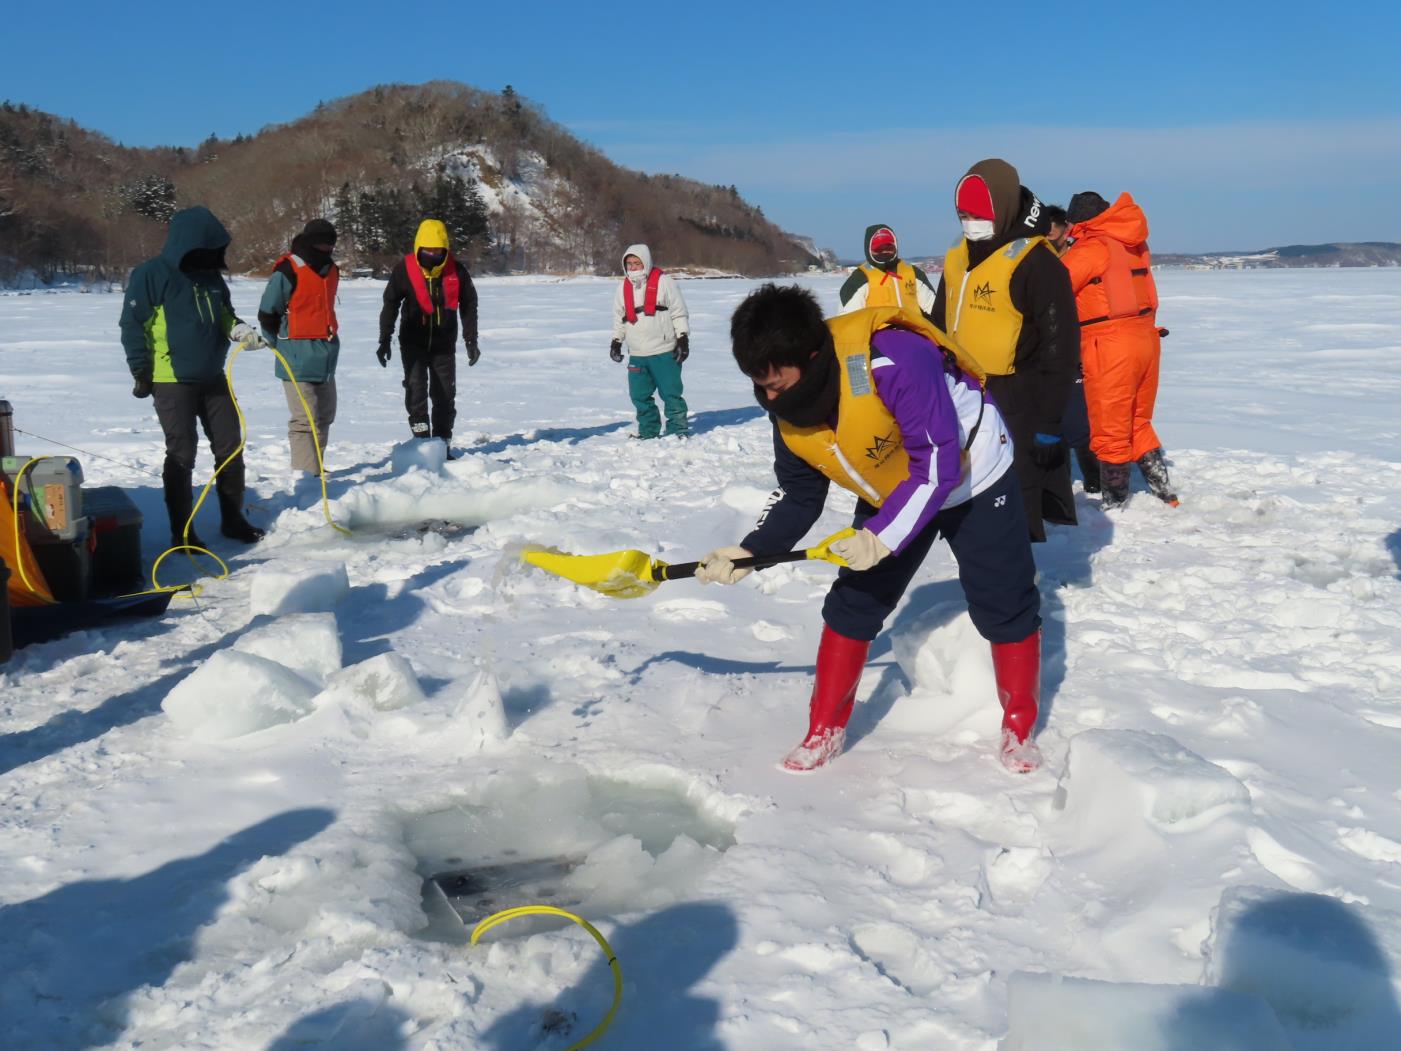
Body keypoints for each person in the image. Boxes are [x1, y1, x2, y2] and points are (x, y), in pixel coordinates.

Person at [695, 285, 1044, 774]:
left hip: (973, 475)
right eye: (761, 386)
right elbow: (800, 495)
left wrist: (880, 538)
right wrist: (752, 551)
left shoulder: (895, 359)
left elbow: (938, 466)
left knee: (1004, 600)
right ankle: (823, 730)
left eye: (777, 384)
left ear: (811, 358)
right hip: (895, 484)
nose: (770, 397)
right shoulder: (787, 405)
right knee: (853, 602)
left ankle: (1019, 727)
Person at [932, 158, 1080, 542]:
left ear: (1003, 208)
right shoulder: (958, 255)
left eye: (978, 215)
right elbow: (936, 324)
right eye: (963, 215)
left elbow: (1060, 350)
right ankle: (980, 559)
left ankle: (1019, 569)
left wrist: (1049, 424)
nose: (970, 223)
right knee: (967, 490)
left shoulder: (1037, 263)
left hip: (1015, 399)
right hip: (961, 392)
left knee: (1013, 496)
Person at [119, 205, 265, 548]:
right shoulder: (152, 274)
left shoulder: (212, 278)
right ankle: (182, 533)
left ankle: (233, 520)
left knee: (230, 447)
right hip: (171, 380)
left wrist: (239, 329)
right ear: (190, 244)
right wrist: (141, 370)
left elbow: (224, 314)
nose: (214, 257)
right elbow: (132, 325)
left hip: (213, 377)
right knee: (182, 453)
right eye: (208, 250)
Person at [1062, 191, 1178, 508]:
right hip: (1146, 340)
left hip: (1110, 345)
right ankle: (1166, 494)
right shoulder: (1132, 242)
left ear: (1080, 221)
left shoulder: (1092, 248)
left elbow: (1053, 286)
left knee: (1110, 429)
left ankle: (1115, 506)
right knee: (1138, 422)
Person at [377, 219, 480, 455]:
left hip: (444, 345)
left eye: (437, 251)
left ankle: (442, 445)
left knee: (445, 395)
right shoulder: (404, 270)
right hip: (413, 343)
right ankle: (422, 445)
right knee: (416, 392)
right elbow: (390, 303)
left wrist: (471, 340)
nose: (433, 255)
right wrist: (384, 339)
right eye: (428, 251)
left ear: (445, 249)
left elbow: (469, 304)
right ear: (418, 248)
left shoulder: (457, 271)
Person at [257, 218, 340, 487]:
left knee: (325, 415)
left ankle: (316, 469)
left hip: (325, 354)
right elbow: (267, 311)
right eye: (322, 243)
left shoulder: (332, 270)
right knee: (305, 419)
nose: (327, 248)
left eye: (330, 244)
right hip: (294, 353)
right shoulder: (288, 269)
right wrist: (277, 343)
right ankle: (306, 478)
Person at [1044, 204, 1100, 494]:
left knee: (1080, 421)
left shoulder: (1079, 257)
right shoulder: (1039, 260)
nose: (1049, 238)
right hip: (1049, 349)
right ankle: (1060, 481)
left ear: (1066, 230)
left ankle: (1094, 479)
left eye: (1053, 232)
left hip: (1079, 347)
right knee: (1053, 421)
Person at [609, 244, 691, 439]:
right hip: (637, 353)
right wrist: (616, 342)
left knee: (671, 393)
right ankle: (648, 431)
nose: (633, 267)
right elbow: (619, 318)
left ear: (645, 262)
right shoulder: (622, 288)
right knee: (639, 396)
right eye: (629, 263)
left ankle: (677, 430)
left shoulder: (665, 282)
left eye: (637, 263)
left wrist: (683, 339)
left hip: (664, 350)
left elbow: (679, 313)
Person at [837, 224, 937, 322]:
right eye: (878, 249)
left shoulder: (913, 273)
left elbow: (933, 308)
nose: (884, 252)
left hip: (914, 330)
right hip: (878, 332)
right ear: (869, 250)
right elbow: (849, 321)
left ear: (895, 247)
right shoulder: (859, 280)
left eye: (889, 248)